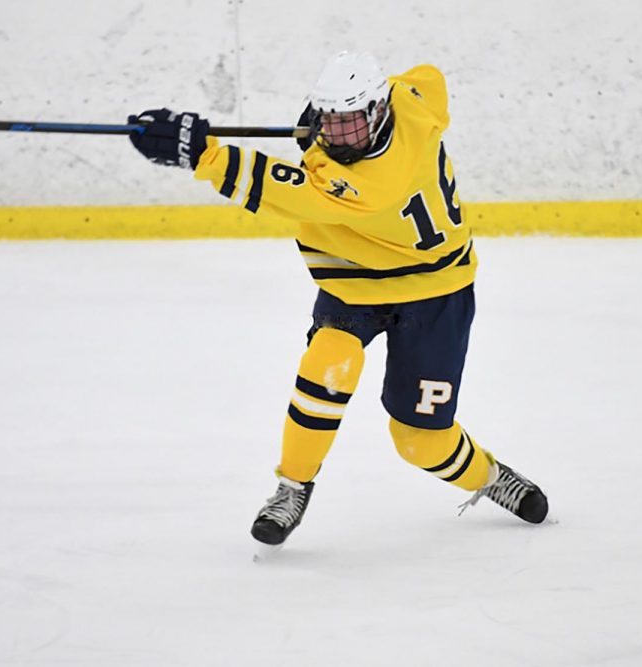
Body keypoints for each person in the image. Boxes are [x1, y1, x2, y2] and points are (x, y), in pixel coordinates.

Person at [128, 51, 549, 548]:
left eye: (351, 124)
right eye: (332, 120)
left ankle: (490, 477)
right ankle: (291, 487)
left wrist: (202, 154)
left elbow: (284, 189)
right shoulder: (413, 98)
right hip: (356, 282)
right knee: (330, 361)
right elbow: (428, 76)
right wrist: (335, 117)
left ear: (377, 113)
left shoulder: (371, 184)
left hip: (435, 289)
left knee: (420, 442)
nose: (339, 135)